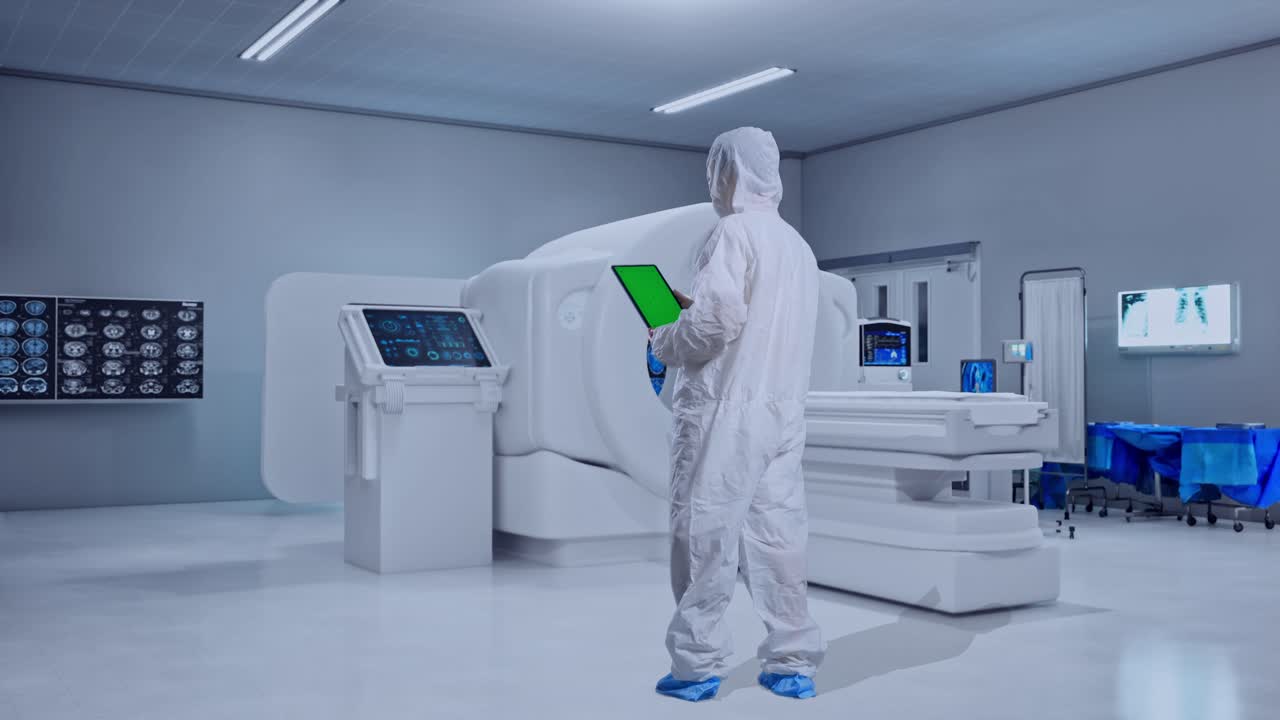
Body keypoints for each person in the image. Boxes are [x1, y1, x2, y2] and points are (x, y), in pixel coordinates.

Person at [649, 127, 826, 702]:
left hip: (726, 410)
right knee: (778, 535)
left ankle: (697, 668)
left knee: (704, 533)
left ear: (727, 174)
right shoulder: (798, 246)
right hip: (783, 410)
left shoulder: (730, 233)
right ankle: (793, 661)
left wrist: (663, 337)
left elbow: (713, 325)